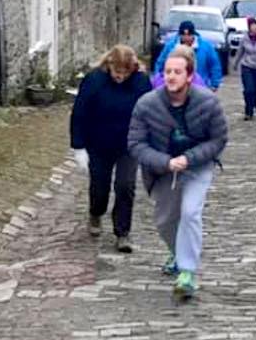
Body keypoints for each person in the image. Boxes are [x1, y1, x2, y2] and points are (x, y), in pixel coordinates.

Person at [128, 43, 229, 302]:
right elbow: (136, 144)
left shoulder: (208, 102)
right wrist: (164, 162)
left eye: (177, 72)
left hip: (197, 166)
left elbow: (218, 140)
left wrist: (189, 158)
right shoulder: (147, 104)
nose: (171, 76)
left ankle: (187, 273)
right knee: (165, 221)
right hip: (162, 169)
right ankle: (176, 253)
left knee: (190, 212)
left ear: (190, 75)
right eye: (167, 72)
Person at [69, 45, 153, 253]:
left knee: (126, 186)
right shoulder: (95, 80)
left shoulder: (141, 82)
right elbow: (80, 113)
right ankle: (96, 213)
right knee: (100, 186)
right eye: (117, 72)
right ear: (109, 65)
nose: (120, 77)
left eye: (125, 72)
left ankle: (122, 232)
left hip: (129, 143)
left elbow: (151, 112)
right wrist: (78, 146)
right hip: (98, 142)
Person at [153, 20, 223, 90]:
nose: (186, 37)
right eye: (183, 35)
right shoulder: (170, 46)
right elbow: (160, 63)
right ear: (179, 34)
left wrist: (214, 84)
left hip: (199, 87)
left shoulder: (206, 46)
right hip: (175, 87)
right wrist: (159, 81)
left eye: (189, 35)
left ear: (194, 34)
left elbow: (215, 65)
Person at [232, 17, 256, 120]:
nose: (254, 29)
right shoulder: (244, 39)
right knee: (249, 90)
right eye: (252, 27)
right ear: (249, 28)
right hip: (247, 66)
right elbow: (239, 52)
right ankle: (248, 112)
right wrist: (235, 64)